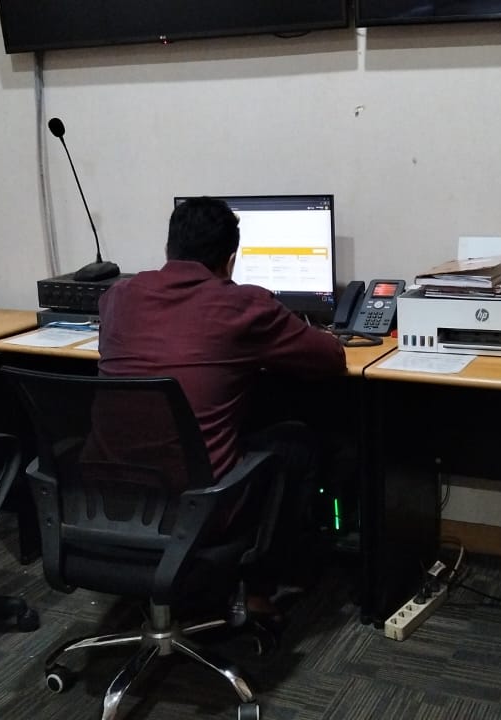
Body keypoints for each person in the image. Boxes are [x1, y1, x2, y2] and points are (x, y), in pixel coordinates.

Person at [97, 196, 346, 618]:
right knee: (297, 441)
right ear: (230, 261)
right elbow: (330, 359)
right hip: (198, 506)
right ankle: (259, 591)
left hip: (106, 498)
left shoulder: (117, 297)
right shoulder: (243, 306)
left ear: (168, 250)